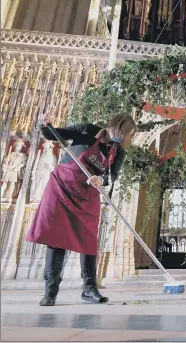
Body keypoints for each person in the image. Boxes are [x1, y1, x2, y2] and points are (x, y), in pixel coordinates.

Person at [26, 113, 136, 306]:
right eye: (126, 132)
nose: (126, 137)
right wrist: (45, 122)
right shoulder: (86, 129)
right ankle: (50, 291)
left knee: (88, 241)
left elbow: (112, 176)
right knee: (55, 238)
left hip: (86, 194)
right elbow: (52, 134)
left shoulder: (118, 151)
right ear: (116, 126)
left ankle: (89, 289)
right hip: (61, 188)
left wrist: (100, 179)